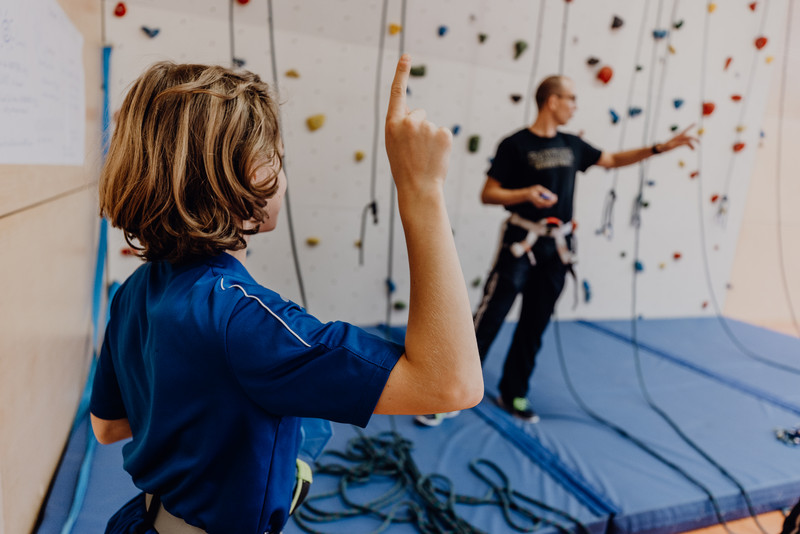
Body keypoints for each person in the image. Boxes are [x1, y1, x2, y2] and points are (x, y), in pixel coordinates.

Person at [90, 55, 482, 534]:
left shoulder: (133, 289)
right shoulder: (243, 317)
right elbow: (452, 384)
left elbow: (109, 427)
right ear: (251, 174)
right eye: (274, 155)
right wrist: (422, 189)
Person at [415, 74, 696, 427]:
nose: (576, 106)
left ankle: (513, 391)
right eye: (572, 99)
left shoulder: (572, 145)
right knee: (489, 317)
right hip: (521, 242)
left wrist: (659, 148)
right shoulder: (515, 145)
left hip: (557, 247)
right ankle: (447, 393)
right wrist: (526, 193)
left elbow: (611, 159)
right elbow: (489, 194)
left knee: (535, 323)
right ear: (552, 100)